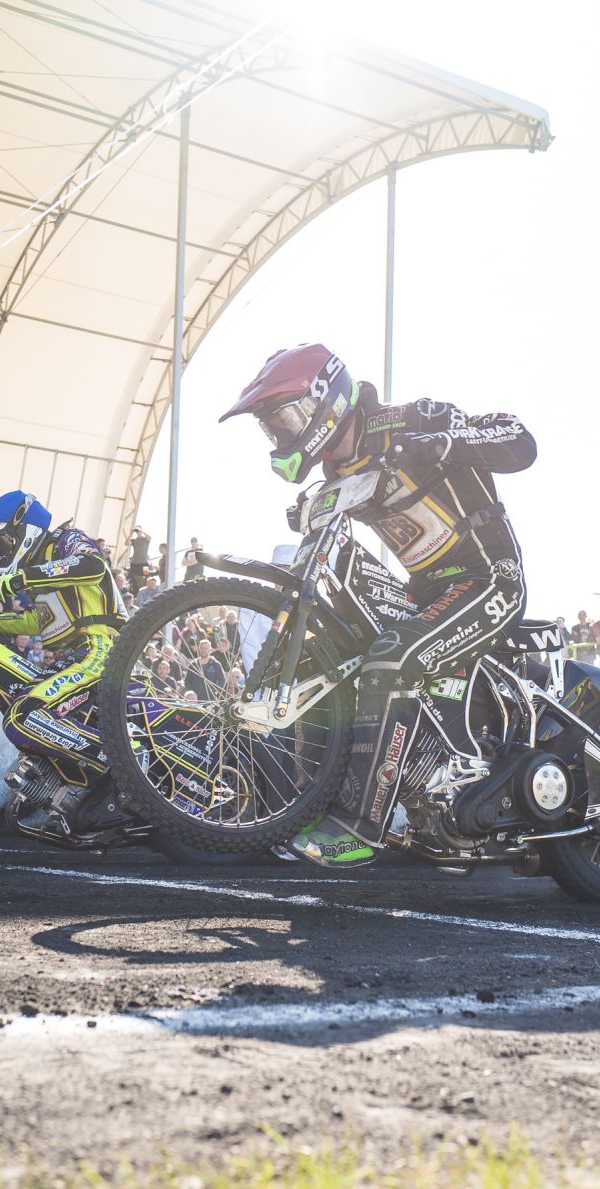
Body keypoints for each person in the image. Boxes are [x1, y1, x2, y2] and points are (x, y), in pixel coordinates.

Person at [220, 343, 536, 865]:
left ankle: (359, 827)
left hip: (489, 580)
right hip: (425, 594)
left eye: (285, 419)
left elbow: (520, 442)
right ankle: (307, 809)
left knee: (391, 657)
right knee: (330, 662)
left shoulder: (413, 420)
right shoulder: (338, 477)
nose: (280, 434)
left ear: (325, 400)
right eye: (271, 427)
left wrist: (445, 443)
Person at [0, 490, 127, 838]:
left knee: (24, 715)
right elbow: (39, 622)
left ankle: (120, 766)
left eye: (3, 545)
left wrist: (21, 579)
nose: (2, 555)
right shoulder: (41, 571)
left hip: (101, 648)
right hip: (76, 655)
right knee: (23, 704)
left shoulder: (67, 540)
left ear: (22, 529)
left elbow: (93, 566)